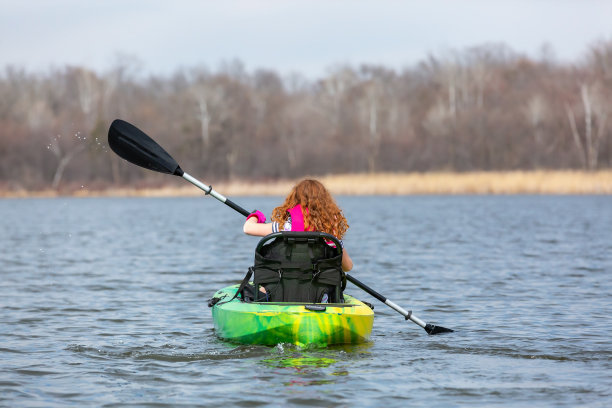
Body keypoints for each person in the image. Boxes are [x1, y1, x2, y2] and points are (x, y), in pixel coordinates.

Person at [243, 179, 353, 272]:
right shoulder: (329, 232)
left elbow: (247, 228)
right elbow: (348, 267)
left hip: (284, 291)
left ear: (294, 200)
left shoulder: (286, 227)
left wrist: (256, 216)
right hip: (319, 294)